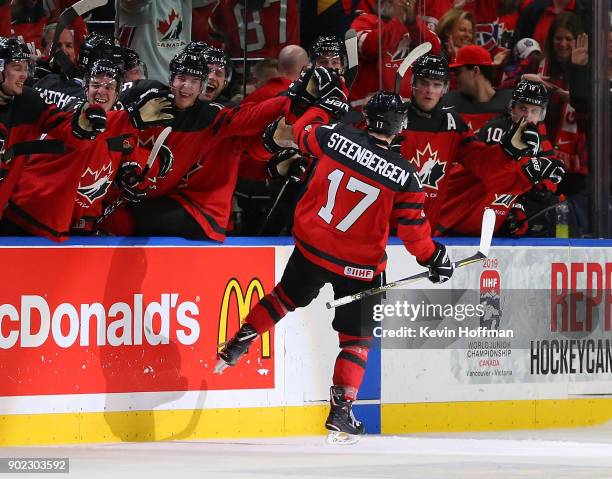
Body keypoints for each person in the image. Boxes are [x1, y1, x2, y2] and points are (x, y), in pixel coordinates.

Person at [215, 70, 454, 443]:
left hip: (312, 248)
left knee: (284, 297)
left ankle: (241, 339)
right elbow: (412, 231)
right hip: (360, 268)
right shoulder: (405, 175)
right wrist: (433, 257)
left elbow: (302, 133)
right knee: (355, 339)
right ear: (398, 126)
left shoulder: (335, 137)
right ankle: (341, 411)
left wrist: (322, 110)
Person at [102, 46, 291, 240]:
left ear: (224, 82)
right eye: (207, 70)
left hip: (200, 210)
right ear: (172, 79)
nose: (209, 77)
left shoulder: (223, 116)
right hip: (166, 199)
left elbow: (250, 153)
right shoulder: (157, 101)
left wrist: (270, 163)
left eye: (218, 72)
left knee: (123, 218)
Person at [2, 59, 173, 238]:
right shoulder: (72, 114)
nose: (101, 91)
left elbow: (129, 154)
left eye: (109, 87)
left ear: (117, 93)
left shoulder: (124, 129)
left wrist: (151, 165)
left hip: (80, 223)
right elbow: (90, 134)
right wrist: (130, 116)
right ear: (86, 88)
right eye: (95, 85)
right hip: (29, 219)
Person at [396, 53, 546, 230]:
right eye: (424, 83)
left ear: (444, 88)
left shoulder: (453, 124)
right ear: (413, 84)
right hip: (389, 225)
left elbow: (481, 164)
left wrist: (508, 149)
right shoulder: (393, 117)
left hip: (428, 229)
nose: (429, 91)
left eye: (436, 84)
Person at [0, 36, 107, 227]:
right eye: (17, 68)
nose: (24, 75)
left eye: (26, 68)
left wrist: (81, 124)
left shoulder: (27, 101)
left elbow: (62, 125)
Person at [437, 79, 564, 237]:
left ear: (541, 114)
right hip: (455, 217)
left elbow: (546, 187)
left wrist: (518, 206)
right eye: (523, 108)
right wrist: (530, 175)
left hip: (486, 222)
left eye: (534, 111)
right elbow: (490, 178)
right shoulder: (496, 131)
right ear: (512, 108)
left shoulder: (537, 139)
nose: (527, 116)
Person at [348, 0, 441, 108]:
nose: (406, 4)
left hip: (410, 110)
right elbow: (365, 47)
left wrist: (412, 23)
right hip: (370, 109)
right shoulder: (366, 20)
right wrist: (398, 21)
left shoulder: (417, 26)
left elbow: (434, 51)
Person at [441, 44, 512, 132]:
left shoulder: (512, 105)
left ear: (475, 71)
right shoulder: (447, 103)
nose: (455, 77)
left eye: (458, 72)